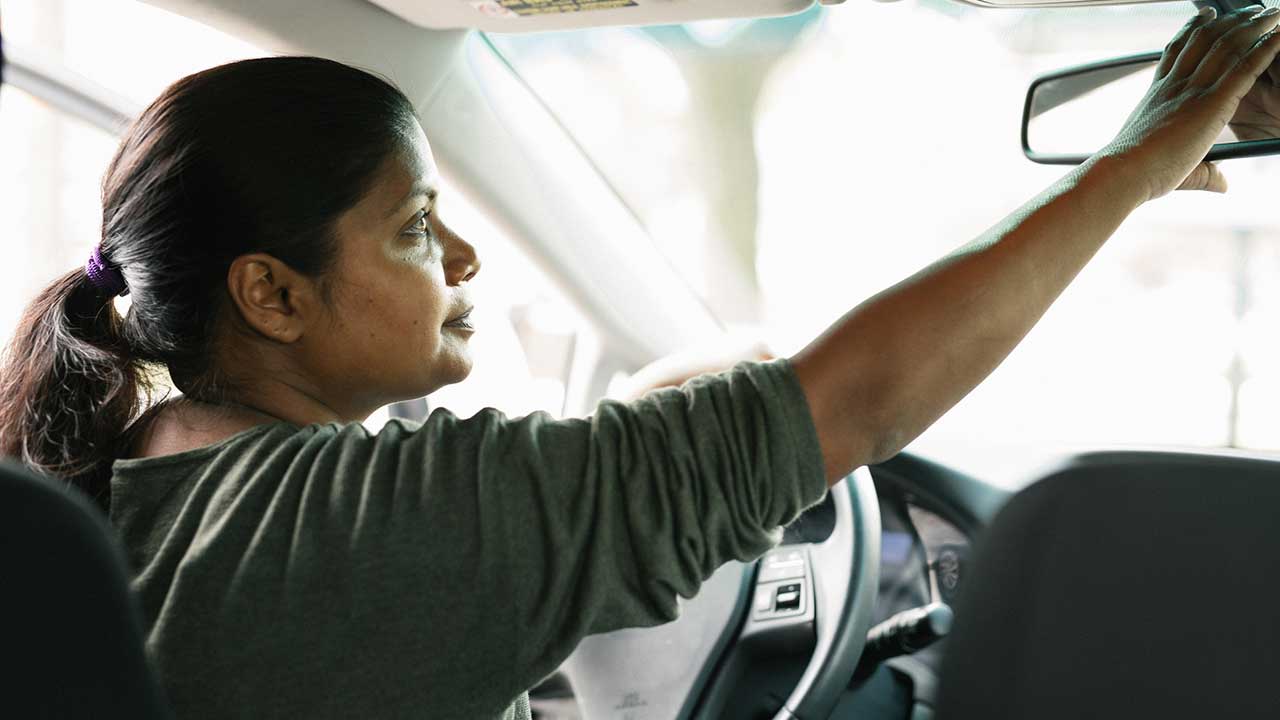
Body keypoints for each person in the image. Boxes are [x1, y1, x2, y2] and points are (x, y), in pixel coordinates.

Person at [0, 6, 1276, 719]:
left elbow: (552, 476)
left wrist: (663, 399)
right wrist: (1134, 164)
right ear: (273, 296)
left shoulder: (143, 479)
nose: (465, 257)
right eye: (415, 226)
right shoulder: (373, 526)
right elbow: (858, 403)